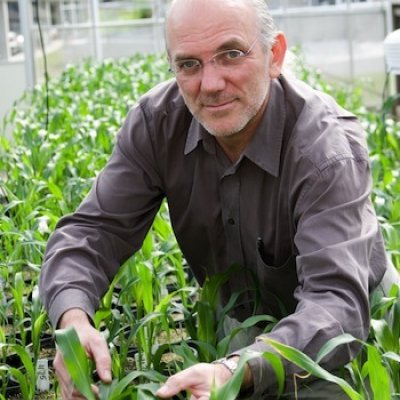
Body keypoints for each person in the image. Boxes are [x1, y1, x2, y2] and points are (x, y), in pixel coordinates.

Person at [39, 0, 399, 398]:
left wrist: (235, 368)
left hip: (349, 335)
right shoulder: (158, 124)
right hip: (244, 325)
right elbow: (94, 230)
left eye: (231, 54)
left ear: (273, 55)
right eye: (189, 64)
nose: (210, 83)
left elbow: (335, 305)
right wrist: (72, 317)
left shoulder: (324, 150)